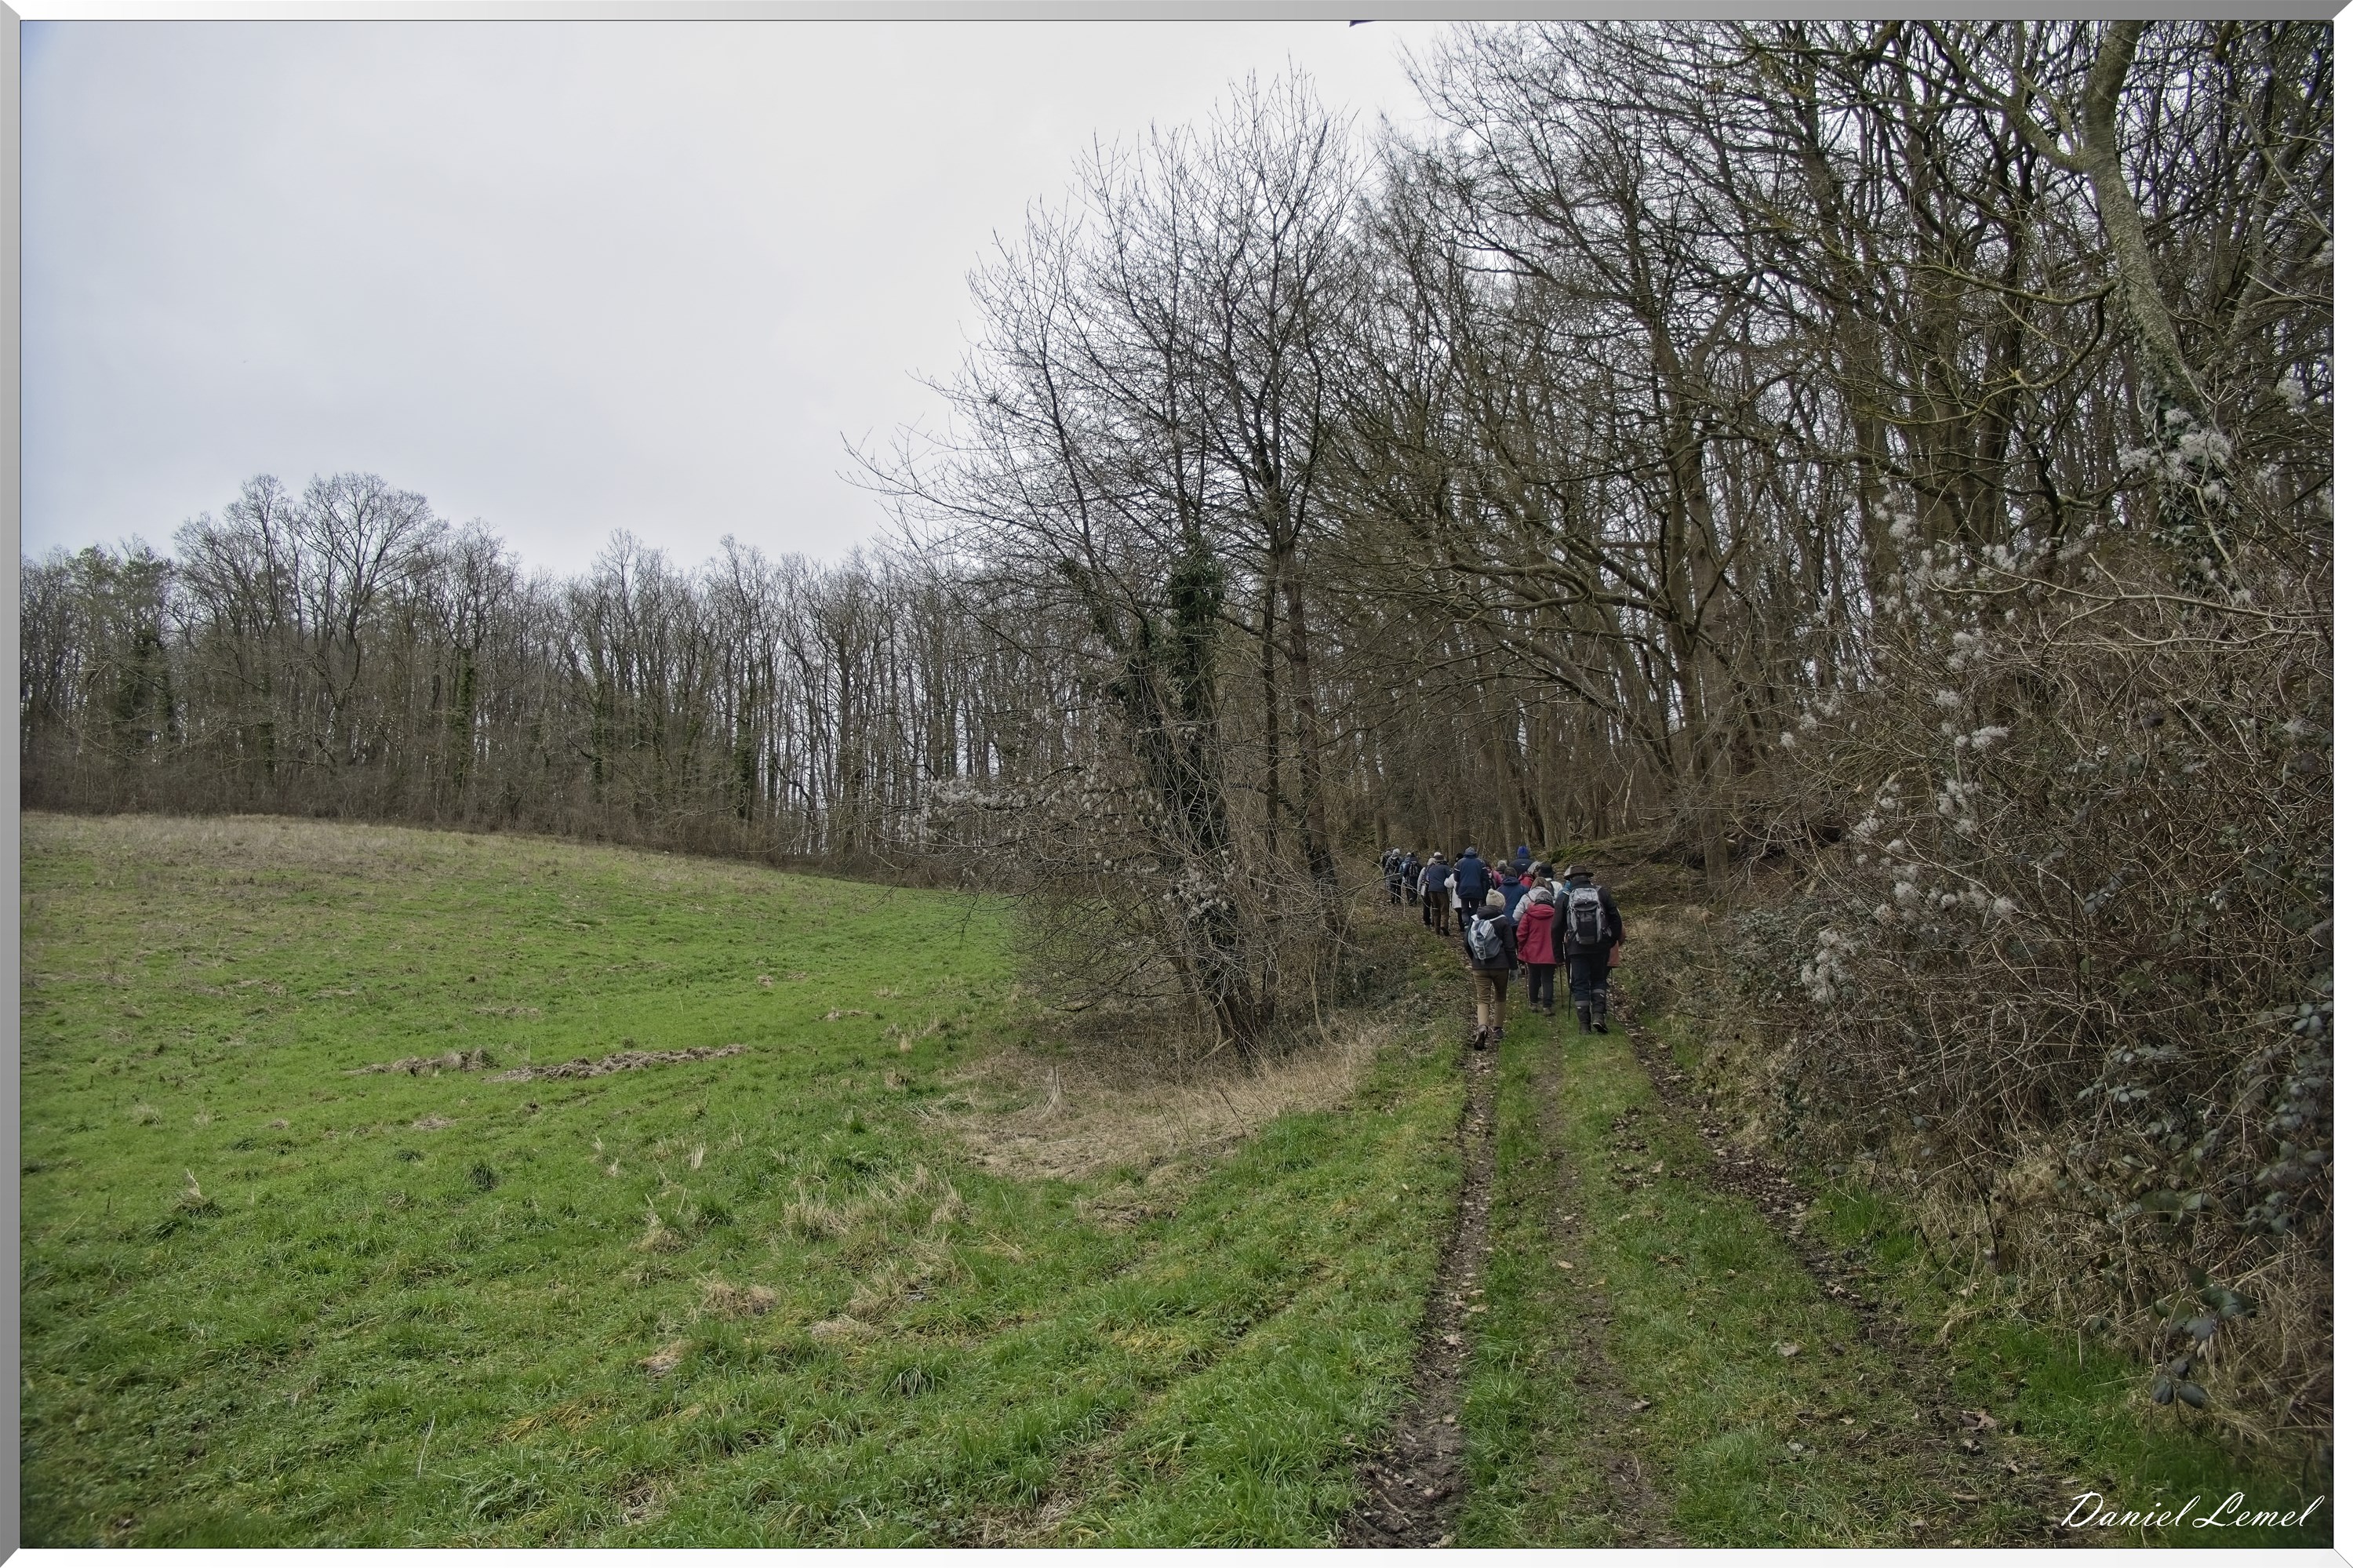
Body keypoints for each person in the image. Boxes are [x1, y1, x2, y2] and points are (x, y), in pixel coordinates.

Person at [1554, 863, 1624, 1034]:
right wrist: (1610, 940)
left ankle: (1584, 1025)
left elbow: (1556, 927)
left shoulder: (1565, 896)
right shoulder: (1601, 892)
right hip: (1600, 946)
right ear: (1588, 877)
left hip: (1576, 948)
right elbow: (1616, 919)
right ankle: (1599, 1016)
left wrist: (1558, 955)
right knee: (1599, 980)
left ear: (1570, 879)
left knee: (1580, 983)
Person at [1462, 887, 1518, 1047]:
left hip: (1479, 966)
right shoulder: (1503, 921)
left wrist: (1474, 959)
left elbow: (1466, 942)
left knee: (1482, 998)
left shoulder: (1474, 919)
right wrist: (1514, 967)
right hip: (1500, 966)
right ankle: (1498, 1029)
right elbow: (1510, 947)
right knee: (1500, 995)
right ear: (1501, 905)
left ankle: (1482, 1027)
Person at [1515, 883, 1558, 1015]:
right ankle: (1547, 1007)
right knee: (1548, 979)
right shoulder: (1555, 915)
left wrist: (1522, 948)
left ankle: (1533, 1004)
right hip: (1550, 953)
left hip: (1532, 952)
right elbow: (1560, 933)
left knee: (1533, 977)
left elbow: (1521, 934)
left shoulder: (1528, 914)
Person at [1420, 851, 1453, 935]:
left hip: (1431, 890)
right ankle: (1444, 925)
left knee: (1435, 909)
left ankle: (1436, 928)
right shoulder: (1445, 868)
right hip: (1442, 890)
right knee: (1444, 908)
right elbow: (1451, 877)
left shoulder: (1430, 869)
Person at [1454, 845, 1489, 911]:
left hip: (1463, 888)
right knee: (1475, 909)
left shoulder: (1459, 863)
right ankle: (1473, 917)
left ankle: (1465, 917)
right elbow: (1485, 877)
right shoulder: (1481, 862)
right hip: (1477, 889)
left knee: (1464, 909)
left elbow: (1456, 878)